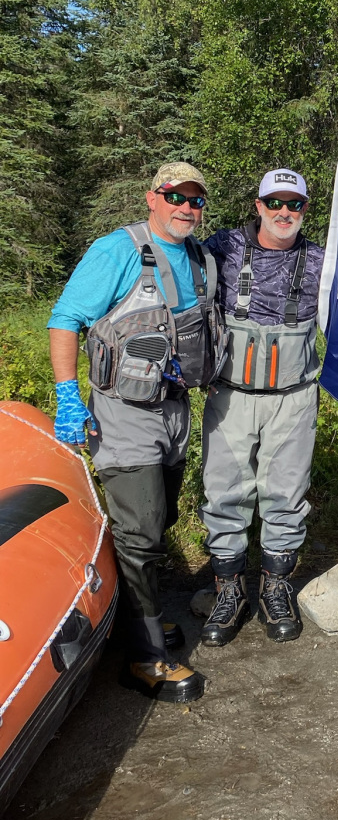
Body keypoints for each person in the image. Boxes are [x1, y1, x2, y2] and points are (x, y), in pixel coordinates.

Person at [48, 162, 226, 703]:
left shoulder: (199, 259)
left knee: (160, 520)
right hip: (124, 413)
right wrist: (67, 395)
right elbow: (65, 318)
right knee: (141, 531)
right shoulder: (117, 250)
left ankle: (133, 620)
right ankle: (145, 658)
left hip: (175, 410)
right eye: (175, 196)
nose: (185, 207)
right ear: (153, 198)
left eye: (195, 199)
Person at [199, 169, 325, 647]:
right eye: (275, 202)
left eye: (294, 204)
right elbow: (172, 272)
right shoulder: (221, 248)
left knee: (286, 497)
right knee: (224, 495)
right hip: (230, 396)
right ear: (258, 206)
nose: (284, 212)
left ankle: (276, 588)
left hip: (294, 398)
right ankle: (229, 592)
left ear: (305, 209)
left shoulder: (321, 260)